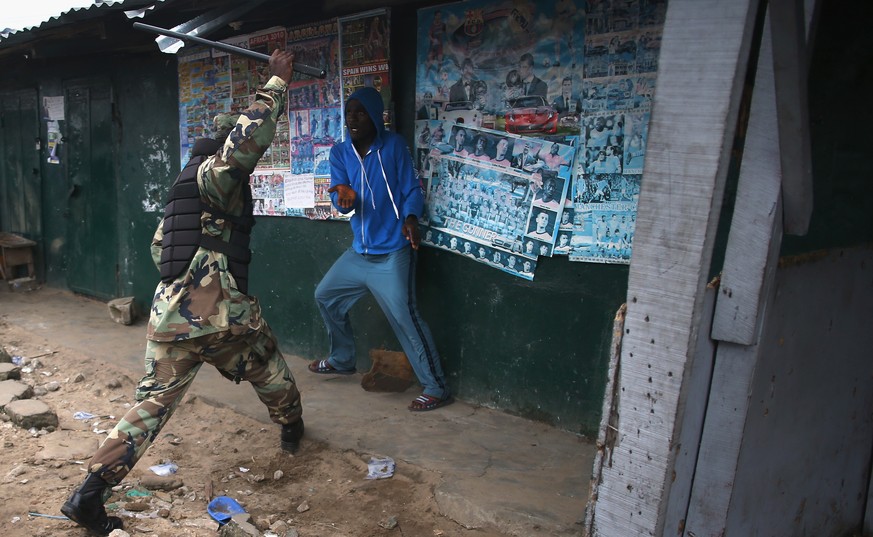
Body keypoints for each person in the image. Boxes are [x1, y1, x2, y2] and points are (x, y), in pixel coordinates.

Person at [60, 50, 304, 536]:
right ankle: (292, 427)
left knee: (149, 408)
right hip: (220, 317)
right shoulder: (217, 177)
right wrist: (276, 82)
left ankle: (88, 494)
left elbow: (160, 251)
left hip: (170, 320)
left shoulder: (179, 192)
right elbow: (245, 143)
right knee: (268, 365)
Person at [311, 86, 452, 412]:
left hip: (393, 251)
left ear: (375, 116)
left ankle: (436, 386)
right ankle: (343, 359)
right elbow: (339, 196)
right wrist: (342, 197)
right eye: (349, 113)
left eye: (361, 112)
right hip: (360, 252)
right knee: (325, 295)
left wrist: (411, 217)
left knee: (405, 315)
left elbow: (412, 189)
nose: (353, 119)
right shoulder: (340, 152)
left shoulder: (393, 146)